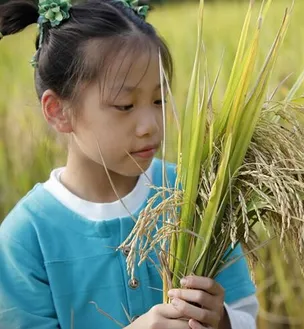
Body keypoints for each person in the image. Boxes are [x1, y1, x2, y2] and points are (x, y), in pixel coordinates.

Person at [0, 0, 259, 328]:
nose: (151, 124)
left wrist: (220, 319)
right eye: (125, 105)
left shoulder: (194, 196)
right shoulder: (26, 238)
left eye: (159, 100)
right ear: (58, 111)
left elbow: (244, 313)